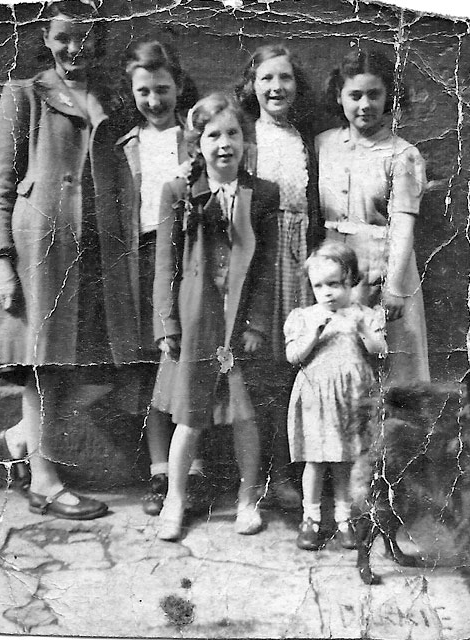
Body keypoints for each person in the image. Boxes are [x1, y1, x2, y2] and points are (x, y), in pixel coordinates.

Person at [0, 0, 138, 518]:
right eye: (63, 38)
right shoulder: (25, 94)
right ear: (46, 40)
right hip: (41, 253)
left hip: (97, 251)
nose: (74, 49)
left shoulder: (112, 100)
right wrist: (2, 261)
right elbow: (0, 187)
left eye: (85, 37)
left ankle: (22, 435)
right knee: (43, 365)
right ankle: (44, 483)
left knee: (101, 365)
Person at [152, 93, 279, 540]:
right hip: (195, 321)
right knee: (190, 415)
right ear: (196, 143)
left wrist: (258, 323)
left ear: (246, 140)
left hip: (238, 322)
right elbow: (165, 264)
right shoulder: (178, 191)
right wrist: (166, 324)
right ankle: (174, 498)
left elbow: (265, 267)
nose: (224, 144)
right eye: (213, 135)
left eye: (233, 133)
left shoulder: (262, 194)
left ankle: (248, 497)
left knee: (244, 415)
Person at [115, 38, 205, 516]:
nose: (154, 101)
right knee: (156, 362)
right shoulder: (125, 145)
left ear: (178, 87)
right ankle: (159, 470)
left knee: (194, 357)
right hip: (145, 257)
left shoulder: (193, 139)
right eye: (144, 91)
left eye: (163, 89)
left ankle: (194, 468)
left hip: (190, 255)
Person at [235, 44, 322, 510]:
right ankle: (259, 475)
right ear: (252, 85)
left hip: (301, 264)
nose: (276, 88)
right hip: (259, 264)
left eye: (285, 79)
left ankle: (290, 474)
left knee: (295, 370)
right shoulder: (246, 137)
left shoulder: (304, 139)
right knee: (261, 370)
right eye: (266, 79)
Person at [316, 44, 429, 384]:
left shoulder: (403, 154)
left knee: (391, 367)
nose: (364, 105)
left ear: (388, 96)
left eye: (374, 94)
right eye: (355, 95)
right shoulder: (323, 144)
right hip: (336, 265)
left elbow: (404, 223)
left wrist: (394, 285)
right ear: (339, 96)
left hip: (385, 266)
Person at [284, 241, 387, 550]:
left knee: (344, 462)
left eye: (335, 284)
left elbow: (380, 351)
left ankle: (344, 518)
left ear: (351, 281)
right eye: (319, 285)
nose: (327, 292)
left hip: (352, 399)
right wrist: (312, 336)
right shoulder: (305, 317)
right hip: (317, 400)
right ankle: (311, 517)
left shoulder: (363, 315)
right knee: (315, 461)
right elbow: (293, 356)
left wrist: (365, 332)